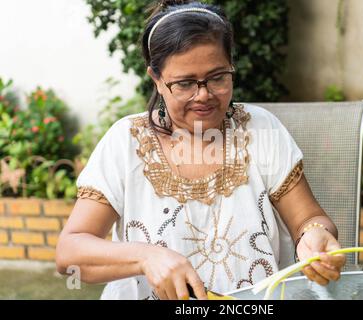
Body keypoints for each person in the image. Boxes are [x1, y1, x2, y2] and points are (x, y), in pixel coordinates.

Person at [56, 0, 346, 300]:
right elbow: (70, 252)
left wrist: (314, 235)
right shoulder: (126, 142)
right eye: (184, 84)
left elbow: (308, 219)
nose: (204, 95)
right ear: (156, 80)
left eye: (218, 77)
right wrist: (146, 257)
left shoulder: (262, 131)